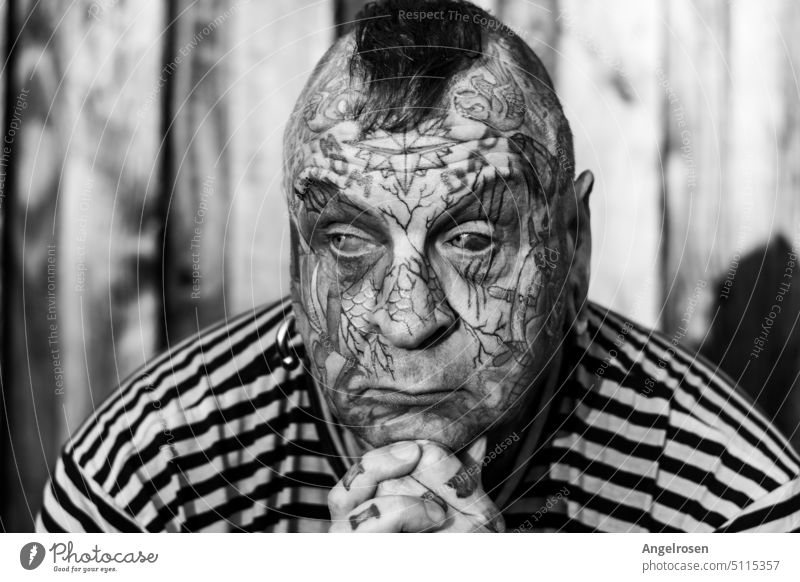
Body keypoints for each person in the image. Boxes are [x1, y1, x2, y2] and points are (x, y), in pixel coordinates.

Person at [37, 0, 800, 533]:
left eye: (472, 240)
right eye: (347, 240)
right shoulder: (142, 484)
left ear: (573, 244)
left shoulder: (738, 511)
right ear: (299, 254)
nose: (409, 321)